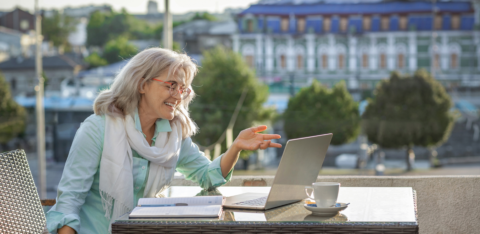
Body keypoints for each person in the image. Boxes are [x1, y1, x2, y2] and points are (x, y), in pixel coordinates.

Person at [46, 48, 281, 234]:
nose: (179, 96)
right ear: (142, 84)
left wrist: (236, 147)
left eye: (183, 89)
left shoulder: (172, 133)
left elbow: (206, 175)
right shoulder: (97, 129)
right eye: (171, 86)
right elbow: (68, 204)